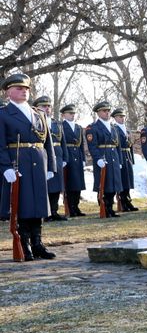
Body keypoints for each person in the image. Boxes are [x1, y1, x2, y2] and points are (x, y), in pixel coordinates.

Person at [1, 74, 57, 259]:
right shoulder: (3, 114)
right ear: (8, 92)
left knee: (39, 203)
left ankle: (38, 243)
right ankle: (23, 244)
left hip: (39, 162)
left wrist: (51, 166)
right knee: (23, 204)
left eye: (26, 88)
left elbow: (47, 142)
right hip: (19, 162)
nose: (24, 91)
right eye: (18, 88)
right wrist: (5, 167)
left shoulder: (38, 114)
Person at [33, 95, 68, 221]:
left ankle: (54, 211)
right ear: (36, 108)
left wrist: (65, 158)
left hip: (57, 156)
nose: (47, 109)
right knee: (45, 186)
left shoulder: (56, 123)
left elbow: (63, 142)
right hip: (43, 156)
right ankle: (45, 213)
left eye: (48, 106)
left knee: (57, 187)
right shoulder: (35, 121)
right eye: (43, 106)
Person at [86, 100, 123, 218]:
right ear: (98, 113)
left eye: (108, 111)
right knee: (104, 184)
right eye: (104, 111)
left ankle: (110, 208)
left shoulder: (113, 127)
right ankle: (104, 207)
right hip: (103, 157)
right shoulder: (93, 128)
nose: (107, 113)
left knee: (113, 184)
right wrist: (98, 159)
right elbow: (92, 146)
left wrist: (120, 161)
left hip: (114, 158)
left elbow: (118, 146)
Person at [60, 103, 87, 216]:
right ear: (63, 115)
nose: (72, 115)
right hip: (68, 155)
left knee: (78, 183)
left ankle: (76, 206)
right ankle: (70, 207)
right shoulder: (61, 126)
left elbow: (81, 144)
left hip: (78, 156)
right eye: (70, 113)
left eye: (73, 113)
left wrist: (83, 158)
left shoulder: (78, 127)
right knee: (70, 183)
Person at [112, 108, 139, 212]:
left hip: (127, 155)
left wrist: (132, 159)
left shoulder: (126, 130)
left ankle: (127, 200)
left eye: (123, 116)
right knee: (122, 179)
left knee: (128, 180)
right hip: (120, 155)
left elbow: (130, 146)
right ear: (115, 118)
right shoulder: (114, 129)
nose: (122, 118)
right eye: (120, 117)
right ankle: (122, 201)